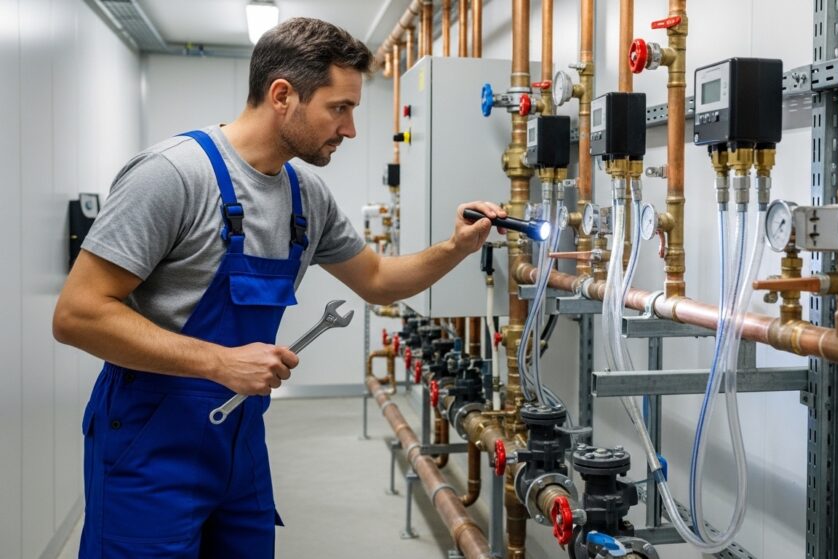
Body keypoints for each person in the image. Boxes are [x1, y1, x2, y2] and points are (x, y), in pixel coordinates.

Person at [52, 17, 506, 559]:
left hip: (239, 445)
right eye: (340, 108)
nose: (351, 129)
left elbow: (379, 282)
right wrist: (220, 363)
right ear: (283, 95)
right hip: (149, 445)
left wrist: (456, 246)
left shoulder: (305, 195)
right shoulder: (172, 175)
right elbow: (77, 314)